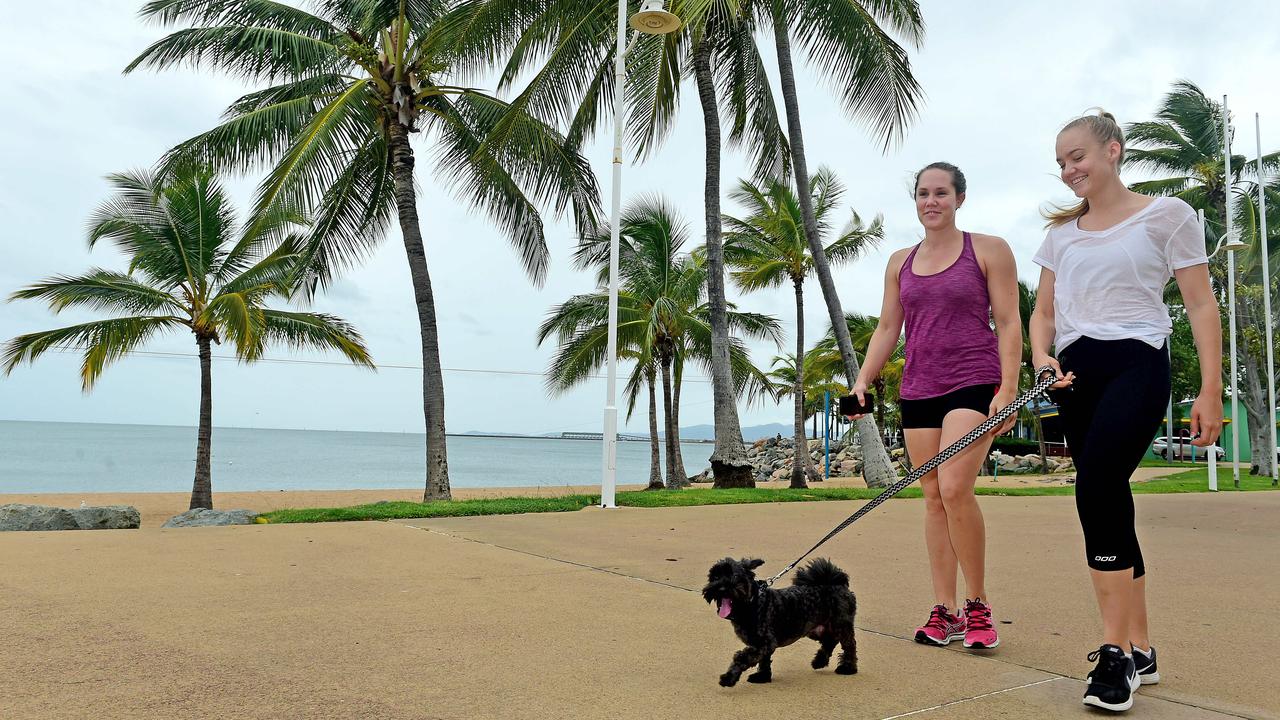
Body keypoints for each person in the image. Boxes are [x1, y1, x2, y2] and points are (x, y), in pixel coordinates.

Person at [1030, 110, 1223, 712]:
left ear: (1113, 150)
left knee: (1097, 485)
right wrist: (1041, 362)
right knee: (1109, 496)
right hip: (1073, 376)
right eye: (1061, 162)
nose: (1069, 169)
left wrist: (1210, 389)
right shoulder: (1060, 235)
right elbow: (1043, 316)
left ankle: (1113, 654)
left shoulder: (1168, 215)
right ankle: (1141, 647)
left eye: (1078, 156)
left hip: (1138, 362)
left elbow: (1200, 303)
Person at [848, 162, 1022, 650]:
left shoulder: (988, 250)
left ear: (959, 198)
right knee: (931, 495)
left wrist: (1007, 389)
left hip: (973, 381)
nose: (931, 201)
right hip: (919, 386)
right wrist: (864, 379)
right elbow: (888, 328)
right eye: (923, 193)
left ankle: (978, 605)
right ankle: (943, 610)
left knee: (954, 487)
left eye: (941, 193)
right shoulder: (900, 262)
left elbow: (1009, 323)